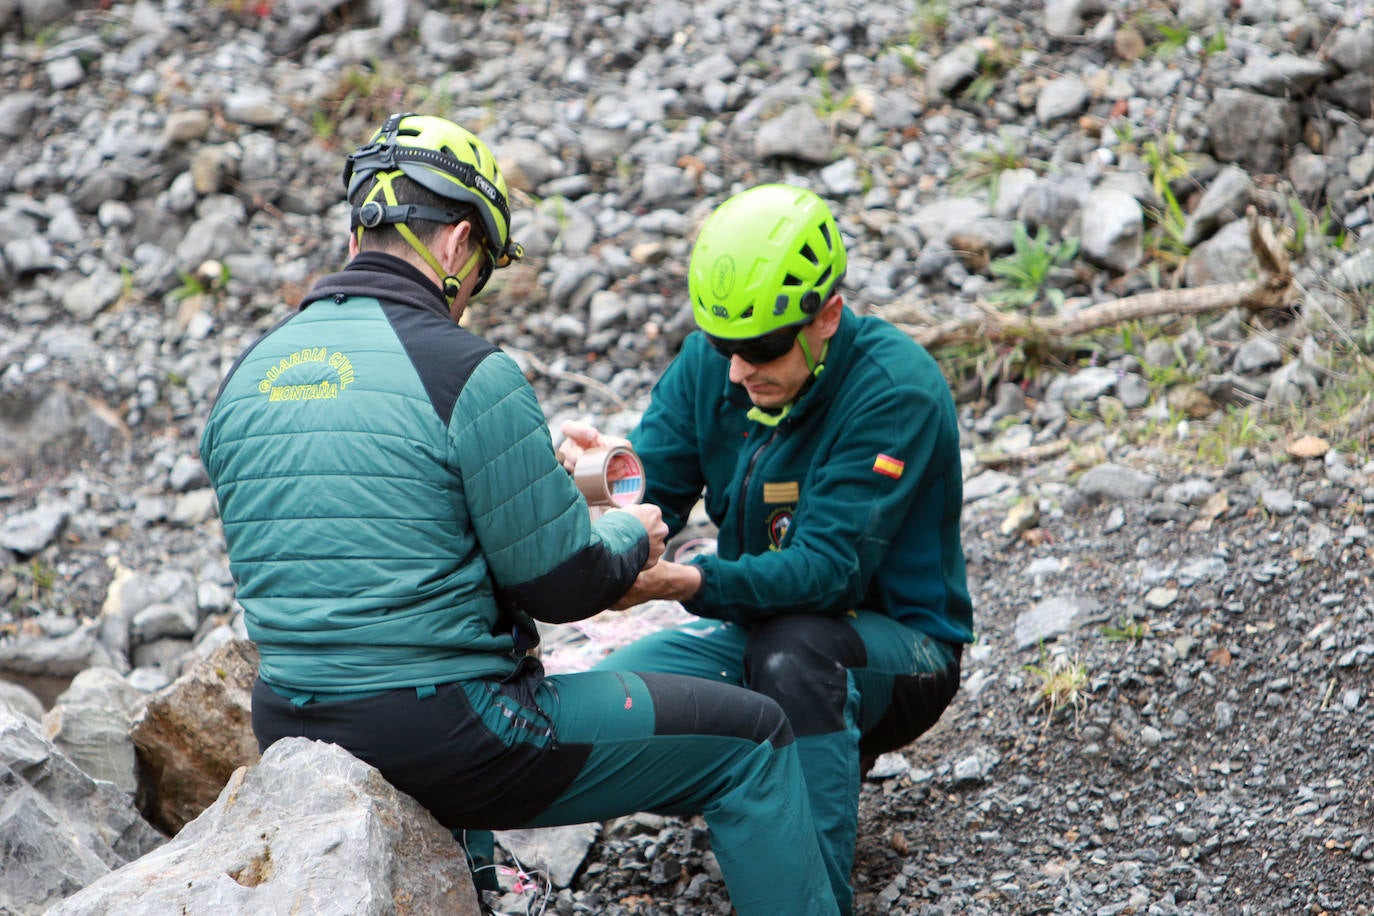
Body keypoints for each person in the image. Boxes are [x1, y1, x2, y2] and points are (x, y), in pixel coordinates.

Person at [198, 114, 840, 915]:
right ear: (459, 243)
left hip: (291, 723)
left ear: (360, 230)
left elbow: (378, 528)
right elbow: (565, 587)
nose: (473, 297)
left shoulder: (245, 376)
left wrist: (540, 483)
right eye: (486, 271)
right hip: (449, 738)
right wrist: (628, 533)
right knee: (754, 738)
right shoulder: (464, 370)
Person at [558, 183, 975, 915]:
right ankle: (763, 792)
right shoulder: (713, 368)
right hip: (756, 628)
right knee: (611, 701)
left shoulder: (892, 389)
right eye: (724, 346)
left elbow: (828, 574)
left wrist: (687, 583)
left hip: (902, 650)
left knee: (796, 650)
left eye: (761, 349)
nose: (736, 371)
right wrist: (599, 485)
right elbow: (653, 494)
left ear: (827, 317)